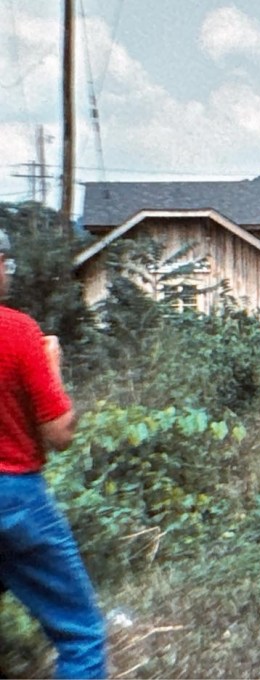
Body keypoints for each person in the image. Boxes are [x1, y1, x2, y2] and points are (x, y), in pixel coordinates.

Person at [0, 230, 109, 678]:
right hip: (14, 499)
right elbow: (61, 433)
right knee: (81, 634)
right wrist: (52, 367)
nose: (8, 267)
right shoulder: (17, 331)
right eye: (3, 258)